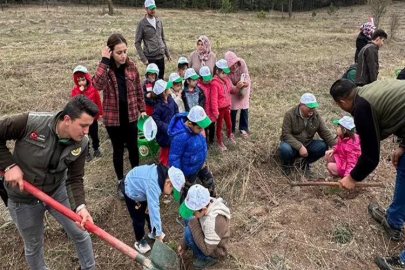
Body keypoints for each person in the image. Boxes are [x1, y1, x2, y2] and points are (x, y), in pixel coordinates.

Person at [0, 95, 97, 270]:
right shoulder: (30, 123)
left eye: (89, 126)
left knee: (81, 233)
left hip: (56, 192)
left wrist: (80, 206)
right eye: (83, 125)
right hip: (23, 197)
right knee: (34, 245)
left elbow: (75, 178)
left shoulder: (81, 143)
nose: (86, 131)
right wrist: (9, 165)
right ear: (67, 119)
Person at [329, 79, 405, 270]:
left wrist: (352, 177)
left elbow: (370, 157)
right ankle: (393, 221)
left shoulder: (362, 107)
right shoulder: (366, 91)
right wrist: (403, 145)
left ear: (342, 102)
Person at [92, 33, 146, 200]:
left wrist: (142, 108)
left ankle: (136, 176)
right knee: (118, 149)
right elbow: (96, 84)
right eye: (119, 52)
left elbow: (138, 89)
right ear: (110, 52)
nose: (123, 56)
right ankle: (121, 181)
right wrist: (104, 61)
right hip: (113, 119)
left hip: (130, 116)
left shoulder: (132, 67)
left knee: (133, 147)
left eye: (125, 51)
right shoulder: (106, 69)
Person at [120, 164, 185, 253]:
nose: (171, 194)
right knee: (138, 217)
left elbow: (152, 206)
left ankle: (153, 231)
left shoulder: (161, 177)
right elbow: (154, 210)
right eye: (172, 191)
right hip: (131, 189)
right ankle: (139, 240)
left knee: (147, 211)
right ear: (168, 182)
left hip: (142, 188)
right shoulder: (153, 185)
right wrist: (159, 237)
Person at [278, 93, 336, 177]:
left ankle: (304, 163)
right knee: (285, 149)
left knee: (323, 146)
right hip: (291, 145)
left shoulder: (315, 115)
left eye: (314, 106)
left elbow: (325, 132)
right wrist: (299, 147)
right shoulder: (290, 114)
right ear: (302, 105)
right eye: (310, 107)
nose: (312, 109)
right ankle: (287, 164)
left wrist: (337, 146)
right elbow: (286, 134)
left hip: (307, 144)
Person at [168, 106, 216, 203]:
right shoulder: (180, 137)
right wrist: (180, 176)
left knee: (210, 183)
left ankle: (213, 203)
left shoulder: (196, 129)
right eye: (199, 127)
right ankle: (185, 215)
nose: (201, 129)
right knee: (187, 195)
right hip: (188, 171)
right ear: (190, 124)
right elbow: (174, 158)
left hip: (200, 164)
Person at [177, 184, 230, 269]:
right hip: (209, 237)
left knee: (188, 231)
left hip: (215, 250)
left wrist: (193, 224)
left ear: (204, 209)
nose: (192, 213)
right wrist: (183, 245)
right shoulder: (207, 203)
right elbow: (194, 218)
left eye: (193, 212)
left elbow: (207, 250)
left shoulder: (213, 221)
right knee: (189, 219)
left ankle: (207, 259)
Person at [70, 65, 103, 162]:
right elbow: (74, 102)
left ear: (87, 78)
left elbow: (98, 101)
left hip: (93, 118)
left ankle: (96, 148)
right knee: (85, 136)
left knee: (94, 134)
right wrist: (80, 92)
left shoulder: (93, 88)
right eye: (79, 80)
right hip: (82, 119)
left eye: (83, 79)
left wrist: (99, 113)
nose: (81, 82)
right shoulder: (75, 91)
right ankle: (86, 152)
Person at [135, 0, 171, 79]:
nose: (153, 10)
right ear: (146, 9)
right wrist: (144, 59)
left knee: (160, 78)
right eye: (151, 8)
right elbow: (137, 43)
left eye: (154, 8)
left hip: (161, 56)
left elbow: (162, 38)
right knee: (151, 81)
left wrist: (167, 54)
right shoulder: (142, 24)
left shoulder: (159, 21)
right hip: (150, 58)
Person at [152, 79, 178, 166]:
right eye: (168, 87)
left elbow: (175, 108)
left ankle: (170, 164)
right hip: (164, 134)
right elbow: (156, 120)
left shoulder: (170, 99)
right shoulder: (158, 106)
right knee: (165, 150)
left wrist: (176, 118)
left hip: (173, 129)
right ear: (163, 92)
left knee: (172, 148)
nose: (170, 88)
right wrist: (167, 127)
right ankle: (162, 167)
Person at [325, 116, 361, 180]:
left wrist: (347, 178)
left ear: (344, 130)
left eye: (338, 126)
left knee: (330, 166)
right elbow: (339, 146)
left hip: (346, 166)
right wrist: (334, 149)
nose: (336, 128)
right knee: (328, 153)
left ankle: (340, 177)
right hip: (342, 160)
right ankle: (333, 176)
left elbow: (352, 163)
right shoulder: (342, 137)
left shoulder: (351, 145)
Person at [224, 51, 251, 138]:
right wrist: (236, 87)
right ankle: (231, 129)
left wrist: (245, 83)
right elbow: (229, 86)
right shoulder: (226, 71)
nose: (235, 66)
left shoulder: (242, 63)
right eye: (232, 65)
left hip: (244, 87)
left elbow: (246, 75)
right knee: (233, 107)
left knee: (244, 107)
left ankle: (243, 128)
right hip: (233, 88)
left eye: (235, 63)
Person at [211, 59, 236, 151]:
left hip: (226, 108)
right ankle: (219, 141)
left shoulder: (226, 81)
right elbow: (213, 99)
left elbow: (228, 94)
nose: (225, 75)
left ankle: (229, 136)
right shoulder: (214, 84)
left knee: (229, 124)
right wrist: (215, 111)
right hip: (220, 109)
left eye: (226, 73)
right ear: (217, 71)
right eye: (223, 73)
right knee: (220, 126)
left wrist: (229, 105)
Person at [198, 66, 217, 144]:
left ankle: (211, 140)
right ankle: (205, 141)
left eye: (209, 78)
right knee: (205, 127)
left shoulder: (211, 84)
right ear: (201, 78)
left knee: (212, 125)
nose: (208, 80)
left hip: (211, 110)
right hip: (204, 110)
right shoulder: (199, 87)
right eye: (206, 79)